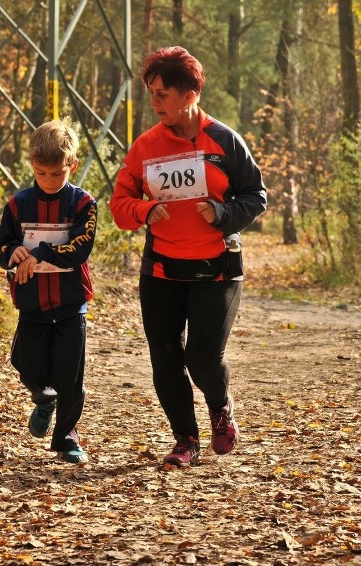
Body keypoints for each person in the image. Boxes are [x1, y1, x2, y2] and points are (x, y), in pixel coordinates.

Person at [110, 46, 267, 467]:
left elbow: (256, 195)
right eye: (151, 94)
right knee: (164, 357)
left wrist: (223, 213)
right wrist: (143, 209)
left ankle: (220, 407)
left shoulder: (225, 140)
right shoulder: (145, 146)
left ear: (189, 95)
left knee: (201, 357)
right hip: (162, 269)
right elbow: (120, 205)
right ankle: (185, 440)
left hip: (217, 269)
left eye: (163, 94)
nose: (155, 102)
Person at [0, 119, 97, 463]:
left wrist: (39, 253)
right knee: (26, 363)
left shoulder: (83, 204)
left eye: (57, 174)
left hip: (70, 303)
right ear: (32, 166)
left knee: (71, 373)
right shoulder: (18, 205)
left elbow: (80, 247)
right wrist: (12, 252)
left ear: (72, 166)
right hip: (31, 302)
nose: (49, 181)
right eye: (41, 173)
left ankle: (67, 437)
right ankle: (43, 396)